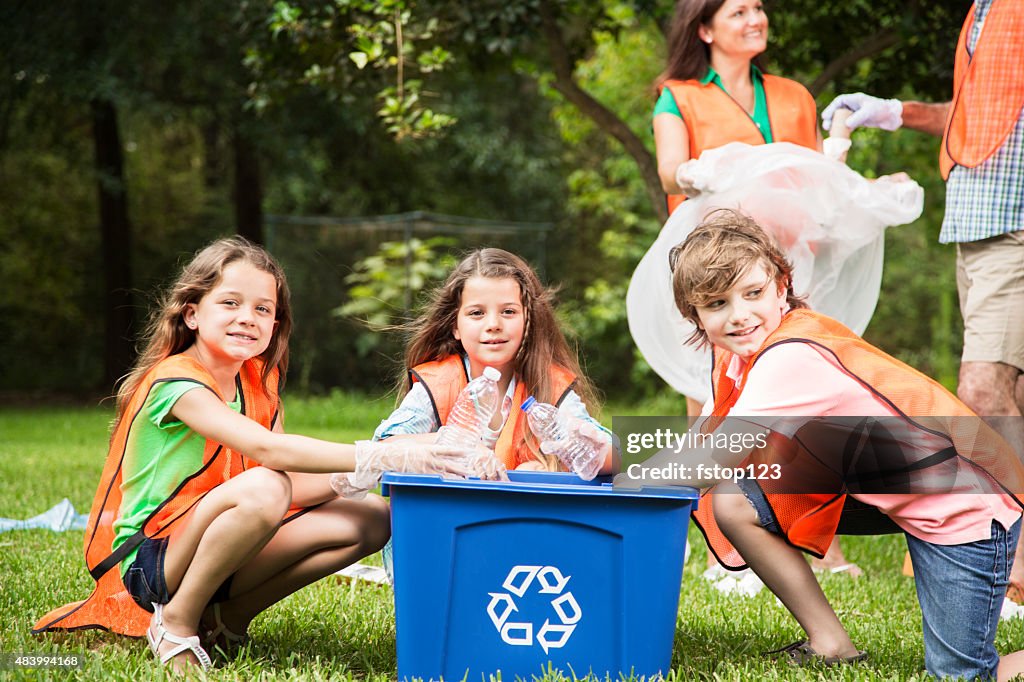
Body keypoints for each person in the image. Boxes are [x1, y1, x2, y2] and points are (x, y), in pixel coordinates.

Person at [32, 237, 490, 672]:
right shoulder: (174, 382)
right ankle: (175, 623)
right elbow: (266, 453)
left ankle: (226, 622)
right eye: (230, 303)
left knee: (371, 517)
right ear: (192, 314)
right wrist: (382, 455)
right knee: (266, 486)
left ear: (275, 324)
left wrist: (386, 461)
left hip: (218, 540)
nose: (247, 317)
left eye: (262, 309)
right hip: (151, 560)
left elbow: (289, 484)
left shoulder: (256, 382)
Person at [642, 209, 1024, 678]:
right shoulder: (741, 355)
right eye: (717, 304)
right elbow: (700, 442)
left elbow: (709, 460)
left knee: (964, 676)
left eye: (753, 293)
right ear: (695, 314)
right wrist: (612, 460)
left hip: (964, 506)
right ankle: (830, 643)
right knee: (736, 498)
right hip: (888, 488)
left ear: (782, 285)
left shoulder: (792, 356)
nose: (739, 315)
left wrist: (622, 485)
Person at [649, 0, 885, 578]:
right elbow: (668, 169)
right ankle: (720, 546)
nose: (755, 18)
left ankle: (822, 544)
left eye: (758, 8)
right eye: (738, 11)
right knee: (713, 401)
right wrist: (695, 174)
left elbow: (811, 179)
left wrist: (854, 185)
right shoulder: (678, 95)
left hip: (781, 266)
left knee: (803, 401)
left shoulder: (793, 95)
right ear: (705, 29)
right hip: (712, 263)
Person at [821, 0, 1024, 598]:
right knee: (1011, 395)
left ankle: (1005, 564)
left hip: (1015, 227)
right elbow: (977, 117)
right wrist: (893, 113)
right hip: (978, 227)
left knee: (983, 390)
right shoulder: (983, 11)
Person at [370, 247, 618, 475]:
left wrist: (562, 459)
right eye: (476, 313)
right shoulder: (438, 383)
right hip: (449, 515)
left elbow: (631, 455)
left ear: (527, 322)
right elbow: (382, 448)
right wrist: (456, 445)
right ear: (455, 326)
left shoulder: (550, 383)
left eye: (508, 312)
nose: (493, 325)